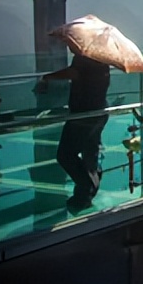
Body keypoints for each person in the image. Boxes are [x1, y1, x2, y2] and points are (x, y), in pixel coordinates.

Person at [35, 54, 111, 213]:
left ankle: (86, 188)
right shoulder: (103, 57)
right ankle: (86, 195)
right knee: (90, 152)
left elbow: (74, 73)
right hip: (100, 110)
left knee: (65, 155)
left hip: (82, 114)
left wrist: (48, 77)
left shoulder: (83, 57)